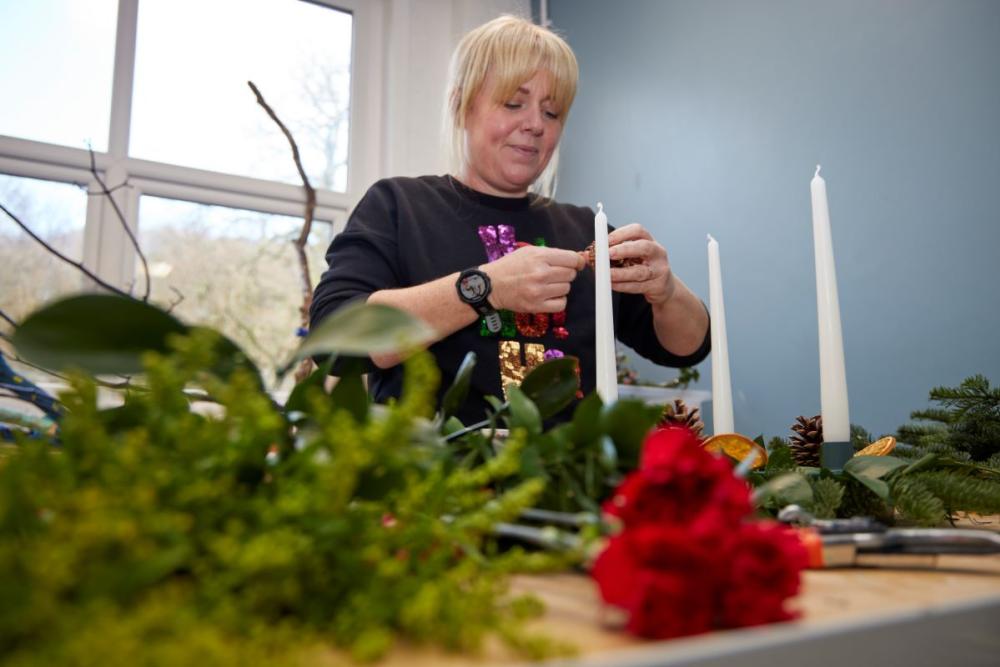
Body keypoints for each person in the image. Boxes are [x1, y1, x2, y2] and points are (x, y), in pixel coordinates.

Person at [310, 15, 710, 425]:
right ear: (461, 106)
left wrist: (667, 291)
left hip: (565, 465)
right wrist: (485, 288)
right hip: (433, 462)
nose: (535, 125)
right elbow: (334, 336)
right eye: (513, 104)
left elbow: (687, 346)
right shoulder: (400, 206)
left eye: (551, 112)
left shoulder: (584, 230)